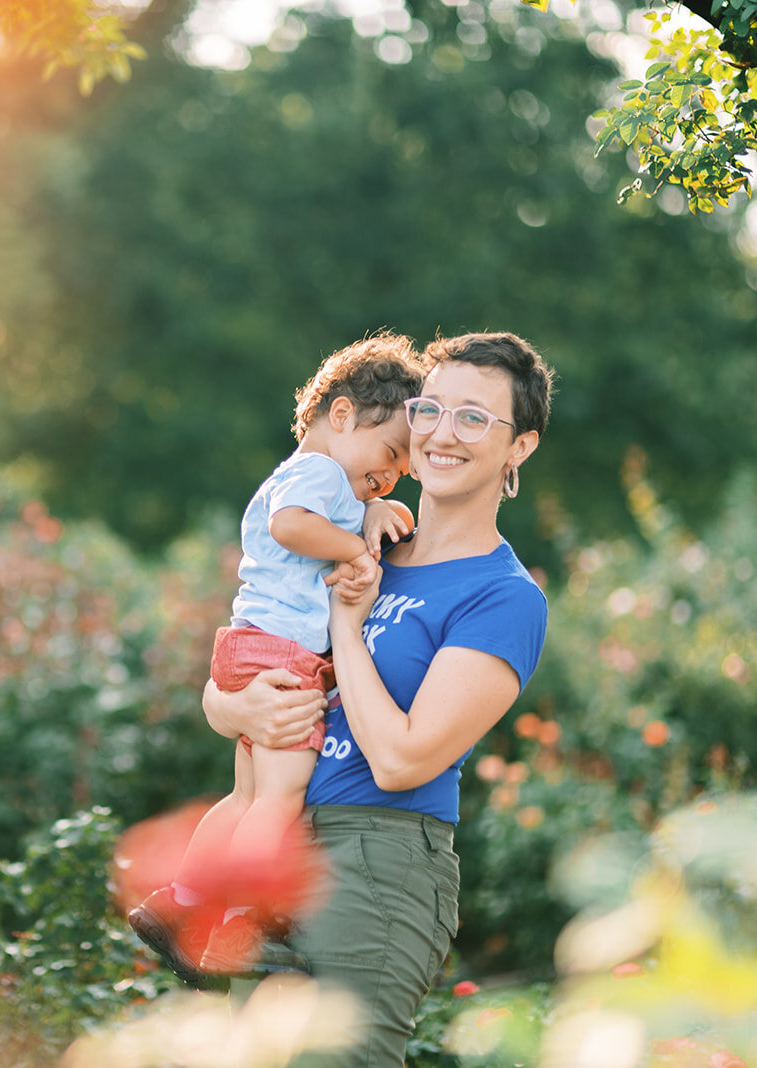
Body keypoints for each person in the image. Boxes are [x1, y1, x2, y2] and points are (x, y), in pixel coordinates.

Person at [202, 331, 553, 1065]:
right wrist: (234, 710)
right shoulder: (362, 545)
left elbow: (401, 758)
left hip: (378, 861)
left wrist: (347, 627)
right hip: (280, 840)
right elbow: (245, 665)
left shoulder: (502, 597)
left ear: (518, 447)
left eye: (474, 418)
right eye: (431, 409)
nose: (440, 434)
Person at [127, 334, 426, 986]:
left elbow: (317, 515)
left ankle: (175, 901)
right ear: (341, 415)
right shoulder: (317, 476)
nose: (391, 473)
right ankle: (240, 919)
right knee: (279, 800)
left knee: (244, 796)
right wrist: (355, 547)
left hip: (247, 649)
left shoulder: (317, 479)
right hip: (285, 659)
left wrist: (372, 505)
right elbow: (294, 526)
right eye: (388, 454)